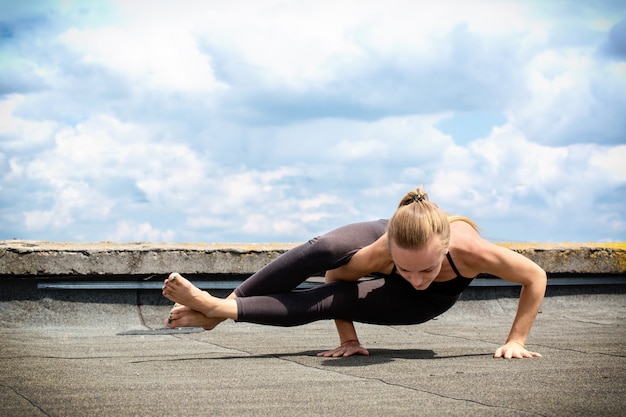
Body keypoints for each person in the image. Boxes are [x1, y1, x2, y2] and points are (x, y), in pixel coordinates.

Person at [162, 188, 547, 359]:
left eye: (427, 268)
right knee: (326, 250)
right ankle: (221, 309)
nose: (416, 276)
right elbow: (336, 278)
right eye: (405, 268)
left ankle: (216, 309)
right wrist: (349, 338)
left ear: (445, 250)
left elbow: (535, 278)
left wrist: (516, 339)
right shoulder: (381, 248)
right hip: (388, 237)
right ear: (391, 251)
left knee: (337, 300)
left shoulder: (470, 249)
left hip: (420, 306)